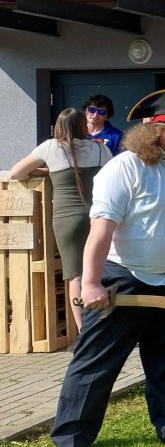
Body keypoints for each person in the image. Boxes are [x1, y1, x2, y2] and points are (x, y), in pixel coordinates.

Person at [50, 90, 165, 447]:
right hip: (126, 279)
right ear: (153, 129)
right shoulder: (126, 167)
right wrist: (91, 283)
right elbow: (100, 230)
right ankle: (72, 439)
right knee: (97, 361)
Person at [8, 107, 111, 329]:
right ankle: (105, 325)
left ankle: (83, 329)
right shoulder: (100, 148)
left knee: (75, 275)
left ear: (59, 127)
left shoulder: (50, 147)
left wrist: (47, 171)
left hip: (67, 219)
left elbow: (16, 172)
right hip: (99, 216)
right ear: (83, 126)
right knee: (101, 271)